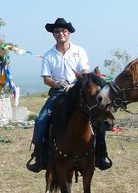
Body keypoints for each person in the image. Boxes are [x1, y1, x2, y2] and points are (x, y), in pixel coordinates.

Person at [26, 17, 112, 173]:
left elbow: (85, 72)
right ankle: (39, 156)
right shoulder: (48, 55)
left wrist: (79, 83)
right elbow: (46, 78)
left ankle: (101, 155)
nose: (60, 33)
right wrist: (57, 84)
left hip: (79, 91)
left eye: (63, 31)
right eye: (57, 31)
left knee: (98, 117)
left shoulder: (80, 51)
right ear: (53, 34)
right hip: (59, 92)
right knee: (41, 119)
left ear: (69, 33)